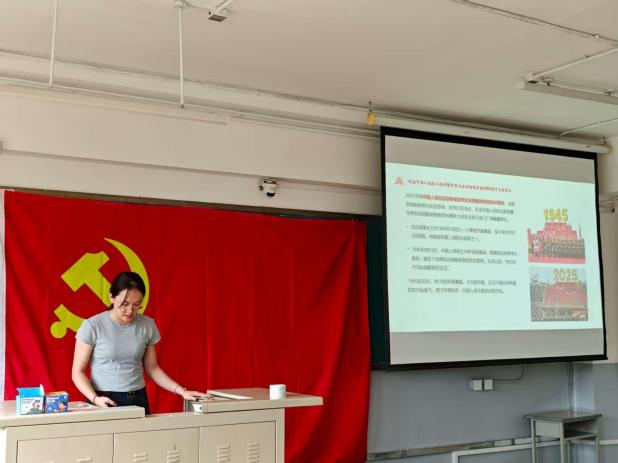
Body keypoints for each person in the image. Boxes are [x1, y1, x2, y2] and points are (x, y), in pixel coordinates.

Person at [72, 271, 208, 414]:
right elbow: (77, 372)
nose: (130, 311)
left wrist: (181, 391)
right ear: (111, 297)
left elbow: (152, 368)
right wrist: (95, 398)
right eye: (124, 304)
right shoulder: (93, 326)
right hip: (103, 398)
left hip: (137, 398)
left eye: (136, 305)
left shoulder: (147, 325)